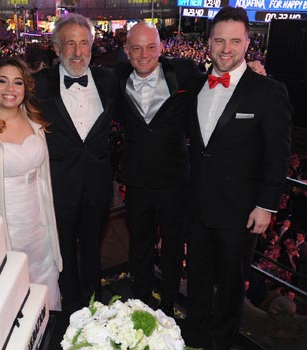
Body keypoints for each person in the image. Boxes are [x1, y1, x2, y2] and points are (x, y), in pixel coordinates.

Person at [185, 7, 293, 350]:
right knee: (198, 279)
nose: (225, 48)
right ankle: (194, 337)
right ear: (209, 42)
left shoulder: (268, 91)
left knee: (232, 285)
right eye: (219, 40)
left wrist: (266, 206)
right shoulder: (196, 85)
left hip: (241, 211)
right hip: (198, 206)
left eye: (234, 40)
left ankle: (222, 342)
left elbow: (278, 154)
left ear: (248, 43)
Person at [33, 13, 118, 313]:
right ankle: (70, 306)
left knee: (93, 247)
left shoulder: (110, 81)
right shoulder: (37, 85)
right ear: (56, 48)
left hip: (97, 184)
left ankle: (94, 301)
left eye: (84, 43)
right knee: (63, 250)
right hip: (59, 185)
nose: (78, 51)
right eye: (70, 43)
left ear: (93, 46)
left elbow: (154, 78)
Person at [113, 22, 196, 315]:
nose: (144, 54)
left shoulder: (183, 73)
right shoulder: (116, 79)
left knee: (173, 248)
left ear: (161, 48)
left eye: (151, 47)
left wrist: (251, 71)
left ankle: (170, 303)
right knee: (139, 247)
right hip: (136, 182)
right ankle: (141, 301)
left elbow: (219, 80)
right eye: (136, 48)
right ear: (127, 51)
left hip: (175, 182)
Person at [0, 57, 63, 310]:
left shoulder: (35, 120)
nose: (10, 89)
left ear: (26, 87)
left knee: (44, 280)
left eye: (17, 82)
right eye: (2, 81)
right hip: (6, 222)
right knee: (12, 288)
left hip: (39, 220)